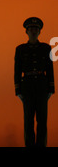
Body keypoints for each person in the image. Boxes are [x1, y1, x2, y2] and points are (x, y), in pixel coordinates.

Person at [14, 17, 55, 147]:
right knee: (28, 121)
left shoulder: (46, 48)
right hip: (27, 87)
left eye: (36, 29)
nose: (33, 31)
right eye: (31, 29)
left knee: (42, 121)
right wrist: (18, 90)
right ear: (26, 31)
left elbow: (50, 69)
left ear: (40, 32)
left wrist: (51, 88)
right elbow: (17, 70)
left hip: (42, 87)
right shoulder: (20, 49)